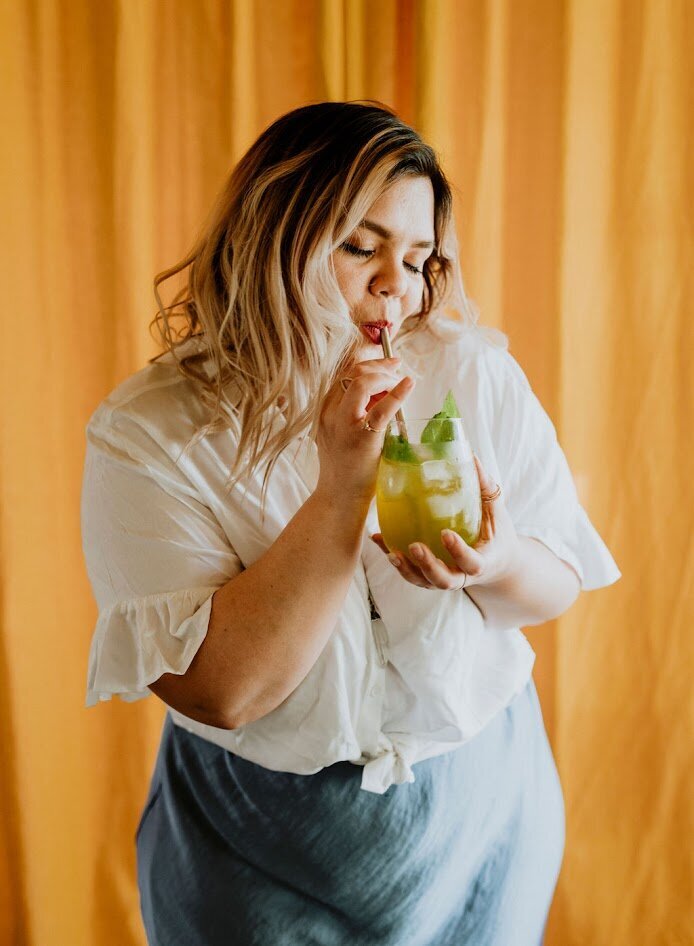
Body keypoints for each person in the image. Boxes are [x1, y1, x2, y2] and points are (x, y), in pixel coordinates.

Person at [81, 101, 620, 945]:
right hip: (258, 841)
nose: (395, 287)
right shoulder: (149, 434)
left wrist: (498, 558)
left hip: (482, 809)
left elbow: (554, 586)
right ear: (267, 237)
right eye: (359, 246)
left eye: (418, 258)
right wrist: (341, 491)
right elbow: (224, 692)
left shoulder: (472, 372)